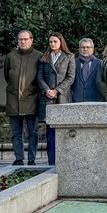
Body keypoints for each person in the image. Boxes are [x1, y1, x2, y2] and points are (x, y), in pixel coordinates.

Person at [5, 30, 42, 165]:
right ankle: (19, 158)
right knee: (16, 132)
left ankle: (32, 159)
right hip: (14, 99)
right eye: (20, 39)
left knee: (33, 132)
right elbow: (7, 76)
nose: (23, 42)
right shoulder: (11, 56)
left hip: (32, 98)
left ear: (31, 40)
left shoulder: (39, 56)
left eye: (26, 39)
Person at [38, 33, 75, 166]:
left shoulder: (69, 57)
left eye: (55, 41)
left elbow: (70, 77)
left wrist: (57, 90)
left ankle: (65, 161)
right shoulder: (44, 57)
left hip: (62, 98)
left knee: (64, 131)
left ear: (61, 42)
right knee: (50, 132)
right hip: (48, 99)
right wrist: (46, 89)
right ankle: (51, 161)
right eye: (50, 42)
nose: (52, 44)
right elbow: (39, 76)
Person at [72, 38, 103, 103]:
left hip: (95, 101)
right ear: (79, 49)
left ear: (93, 49)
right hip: (76, 101)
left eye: (88, 47)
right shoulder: (72, 63)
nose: (85, 49)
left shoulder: (100, 63)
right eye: (83, 47)